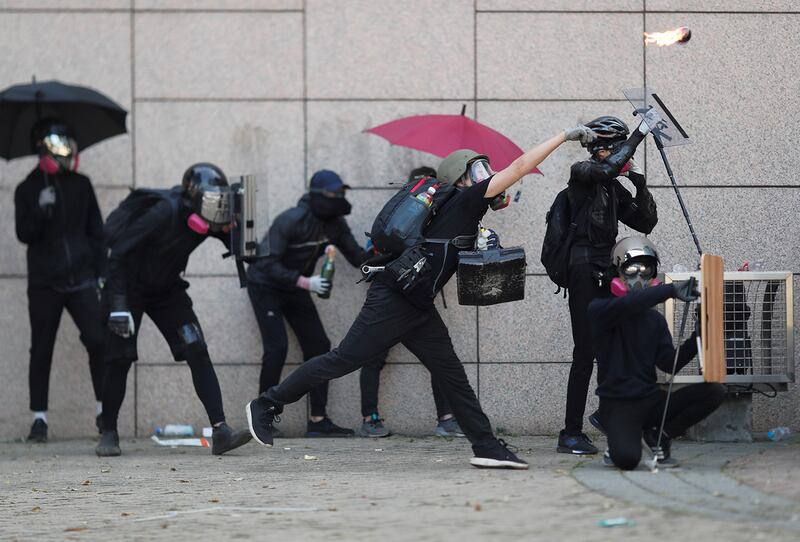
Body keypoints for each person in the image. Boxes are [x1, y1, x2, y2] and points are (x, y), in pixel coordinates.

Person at [246, 125, 597, 469]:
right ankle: (266, 404)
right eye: (478, 170)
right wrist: (564, 136)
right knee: (341, 360)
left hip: (417, 305)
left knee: (452, 374)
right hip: (393, 300)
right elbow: (519, 167)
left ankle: (486, 446)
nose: (486, 175)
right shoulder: (465, 201)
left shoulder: (461, 211)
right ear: (461, 179)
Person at [95, 163, 252, 457]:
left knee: (196, 348)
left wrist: (240, 229)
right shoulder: (162, 213)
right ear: (193, 198)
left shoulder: (205, 219)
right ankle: (108, 431)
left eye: (221, 201)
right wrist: (117, 307)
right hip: (128, 289)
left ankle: (221, 431)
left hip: (167, 291)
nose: (216, 208)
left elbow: (234, 241)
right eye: (211, 201)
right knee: (119, 358)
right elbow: (118, 254)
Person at [557, 115, 660, 455]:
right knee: (585, 352)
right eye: (617, 149)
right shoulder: (583, 173)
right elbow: (603, 171)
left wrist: (640, 185)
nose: (621, 155)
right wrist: (641, 133)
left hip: (606, 269)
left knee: (615, 346)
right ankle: (570, 433)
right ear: (603, 149)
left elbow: (644, 221)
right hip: (583, 269)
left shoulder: (613, 185)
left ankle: (606, 414)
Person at [247, 169, 374, 438]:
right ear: (317, 196)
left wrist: (386, 253)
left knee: (318, 345)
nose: (338, 199)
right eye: (333, 194)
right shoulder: (291, 219)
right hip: (266, 285)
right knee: (277, 347)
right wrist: (306, 283)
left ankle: (318, 420)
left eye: (341, 193)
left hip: (295, 286)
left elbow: (357, 257)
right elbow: (265, 263)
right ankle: (262, 416)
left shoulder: (335, 224)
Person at [586, 236, 725, 469]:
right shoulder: (601, 310)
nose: (639, 277)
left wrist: (698, 335)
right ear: (616, 273)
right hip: (618, 403)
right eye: (631, 269)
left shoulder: (654, 320)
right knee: (628, 460)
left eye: (646, 270)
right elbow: (628, 306)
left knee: (714, 391)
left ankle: (660, 435)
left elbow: (669, 364)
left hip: (650, 400)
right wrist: (670, 290)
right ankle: (616, 438)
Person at [14, 118, 107, 443]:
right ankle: (39, 419)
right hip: (44, 282)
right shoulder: (27, 188)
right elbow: (23, 233)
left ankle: (103, 411)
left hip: (81, 279)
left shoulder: (81, 184)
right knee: (41, 348)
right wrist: (40, 209)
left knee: (98, 340)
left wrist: (101, 274)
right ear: (43, 149)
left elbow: (97, 232)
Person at [357, 166, 465, 439]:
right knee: (370, 356)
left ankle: (447, 418)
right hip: (392, 299)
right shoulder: (395, 218)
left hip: (417, 300)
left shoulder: (435, 217)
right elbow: (371, 254)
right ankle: (370, 419)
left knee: (439, 360)